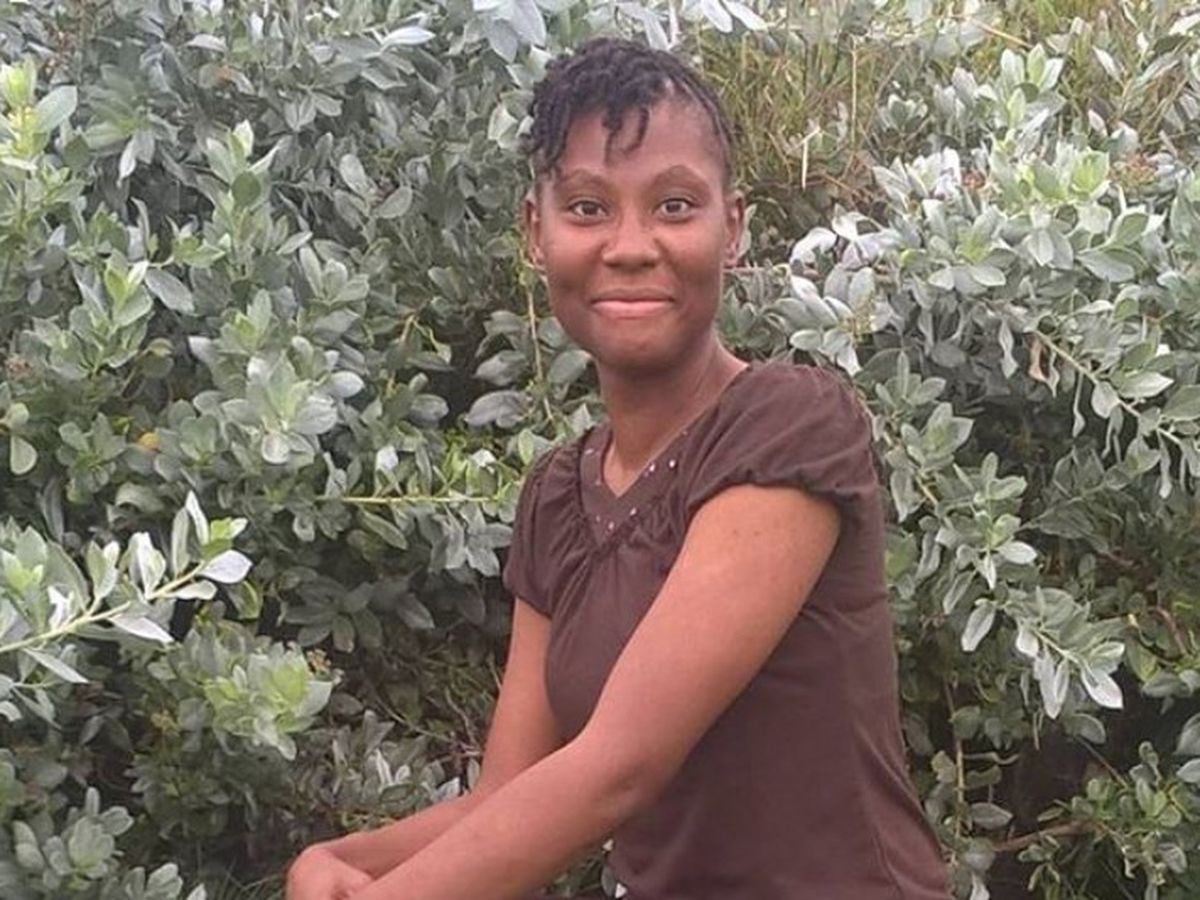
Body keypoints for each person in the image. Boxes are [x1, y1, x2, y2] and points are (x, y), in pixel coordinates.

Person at [287, 37, 950, 900]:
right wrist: (341, 862)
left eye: (674, 205)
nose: (631, 245)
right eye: (589, 208)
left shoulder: (787, 427)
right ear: (537, 232)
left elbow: (619, 766)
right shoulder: (558, 499)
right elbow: (511, 793)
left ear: (732, 227)